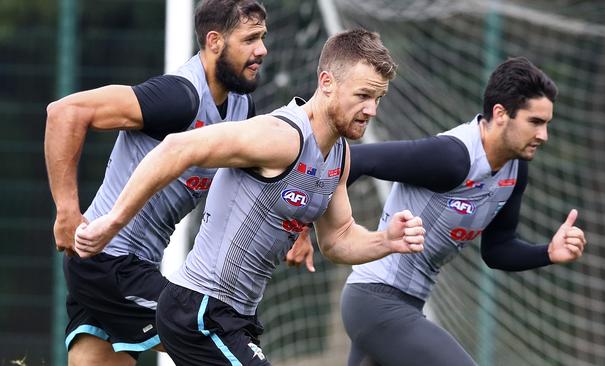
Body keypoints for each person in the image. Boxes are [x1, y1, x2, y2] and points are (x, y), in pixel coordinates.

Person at [74, 28, 427, 365]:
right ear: (327, 84)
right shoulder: (280, 135)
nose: (372, 110)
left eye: (378, 98)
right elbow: (176, 147)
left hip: (236, 318)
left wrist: (385, 240)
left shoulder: (339, 155)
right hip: (200, 311)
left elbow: (338, 239)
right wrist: (114, 221)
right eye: (363, 96)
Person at [44, 1, 269, 364]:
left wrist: (301, 229)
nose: (262, 50)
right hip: (109, 262)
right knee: (222, 345)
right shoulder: (178, 97)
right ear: (214, 41)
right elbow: (65, 112)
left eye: (263, 38)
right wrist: (67, 211)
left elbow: (263, 176)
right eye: (250, 39)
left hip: (125, 266)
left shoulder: (242, 108)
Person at [339, 57, 588, 366]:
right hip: (375, 301)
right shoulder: (452, 158)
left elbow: (497, 250)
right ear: (500, 114)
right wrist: (306, 228)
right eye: (535, 122)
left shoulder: (514, 171)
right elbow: (355, 159)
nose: (543, 135)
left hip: (405, 307)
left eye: (547, 124)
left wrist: (548, 252)